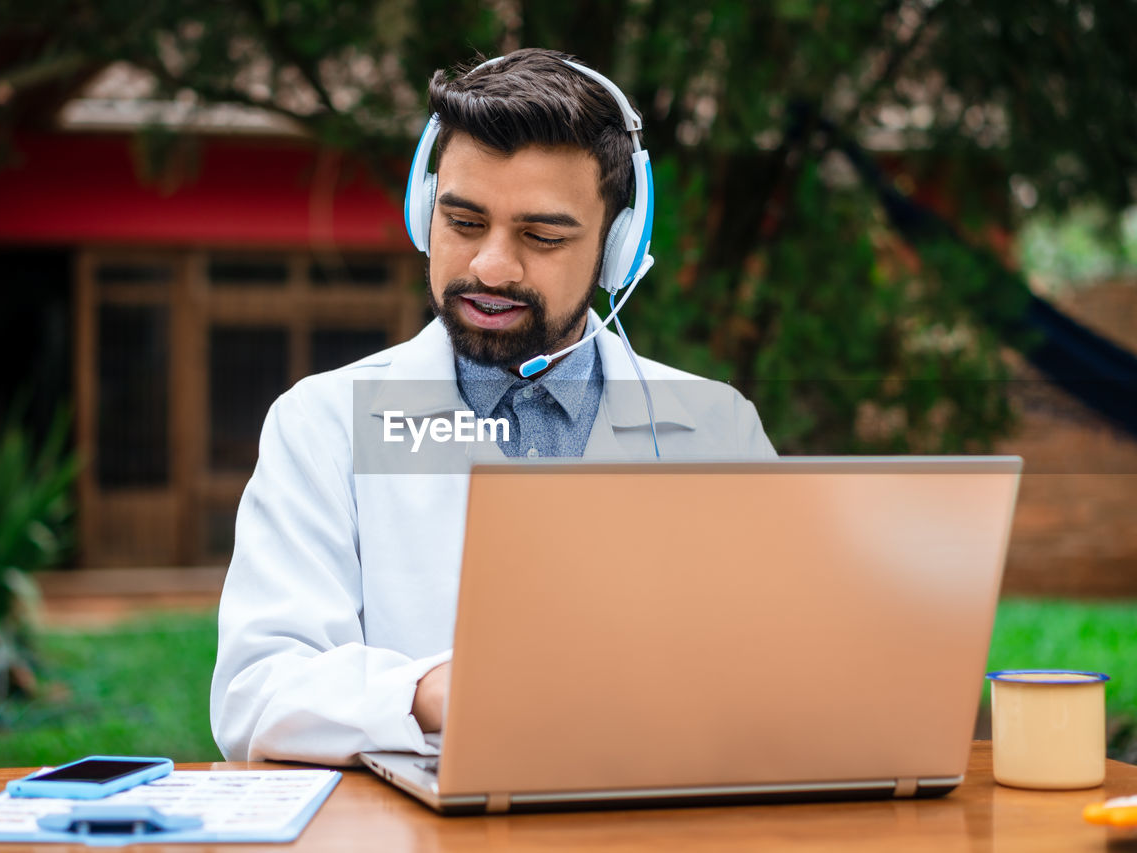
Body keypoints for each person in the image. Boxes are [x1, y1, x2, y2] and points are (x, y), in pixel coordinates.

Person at [210, 48, 777, 766]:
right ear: (425, 214)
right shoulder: (323, 425)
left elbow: (780, 668)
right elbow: (255, 695)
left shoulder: (716, 428)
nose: (491, 267)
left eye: (542, 236)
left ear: (617, 250)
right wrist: (432, 689)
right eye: (465, 223)